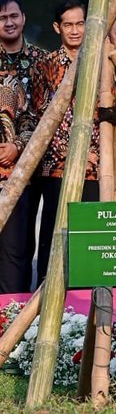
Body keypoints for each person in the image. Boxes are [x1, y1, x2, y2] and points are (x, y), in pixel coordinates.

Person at [32, 0, 99, 286]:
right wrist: (75, 154)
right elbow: (42, 118)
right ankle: (50, 298)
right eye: (68, 24)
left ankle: (90, 307)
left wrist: (95, 154)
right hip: (57, 167)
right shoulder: (45, 66)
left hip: (98, 167)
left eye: (80, 23)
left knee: (93, 240)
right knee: (56, 235)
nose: (75, 30)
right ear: (57, 27)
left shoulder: (102, 61)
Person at [0, 0, 47, 290]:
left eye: (13, 16)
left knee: (18, 247)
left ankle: (13, 314)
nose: (9, 22)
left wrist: (18, 145)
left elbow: (44, 112)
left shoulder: (41, 60)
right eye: (3, 18)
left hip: (28, 168)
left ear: (23, 19)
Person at [0, 75, 35, 292]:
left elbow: (31, 125)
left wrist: (17, 146)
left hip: (12, 184)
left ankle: (11, 319)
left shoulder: (11, 85)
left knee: (14, 254)